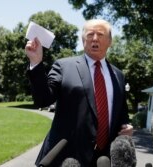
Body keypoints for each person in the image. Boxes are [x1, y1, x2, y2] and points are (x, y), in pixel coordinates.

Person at [25, 19, 133, 167]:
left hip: (103, 160)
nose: (94, 38)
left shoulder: (118, 75)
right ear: (83, 40)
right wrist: (36, 62)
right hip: (66, 158)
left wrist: (126, 126)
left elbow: (121, 113)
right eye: (90, 34)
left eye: (100, 34)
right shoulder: (64, 66)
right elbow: (43, 100)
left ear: (110, 41)